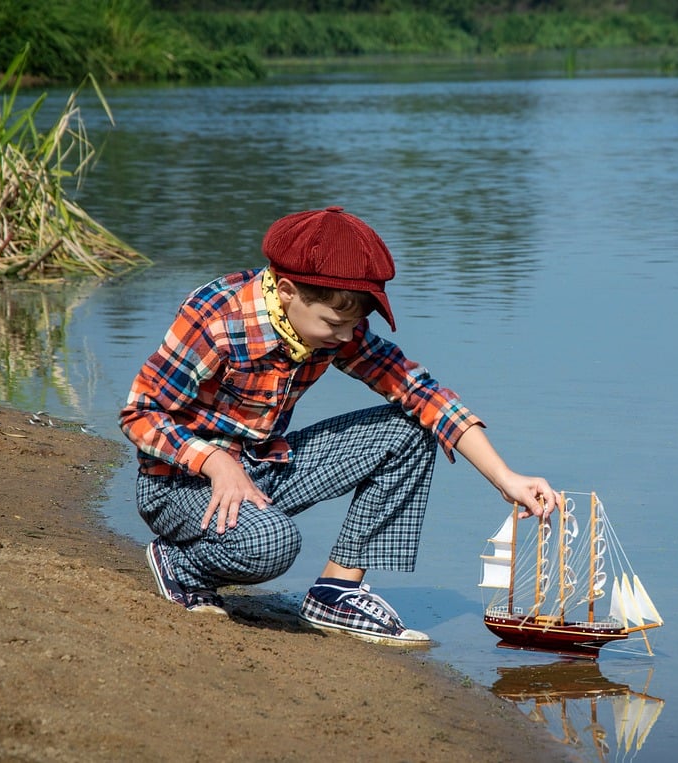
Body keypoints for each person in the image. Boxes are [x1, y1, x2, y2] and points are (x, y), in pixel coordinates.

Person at [119, 206, 559, 646]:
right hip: (178, 483)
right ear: (288, 290)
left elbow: (422, 393)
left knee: (410, 428)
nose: (347, 338)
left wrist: (506, 478)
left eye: (354, 325)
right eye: (335, 324)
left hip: (261, 466)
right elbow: (140, 412)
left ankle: (336, 592)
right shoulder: (217, 319)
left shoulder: (327, 325)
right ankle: (183, 565)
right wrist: (215, 461)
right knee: (273, 545)